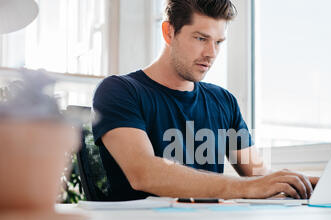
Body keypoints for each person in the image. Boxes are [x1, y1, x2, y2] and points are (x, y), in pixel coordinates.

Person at [93, 0, 318, 201]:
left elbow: (258, 176)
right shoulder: (119, 91)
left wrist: (304, 183)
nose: (211, 53)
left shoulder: (223, 101)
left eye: (219, 42)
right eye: (201, 38)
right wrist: (247, 187)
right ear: (168, 32)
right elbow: (144, 173)